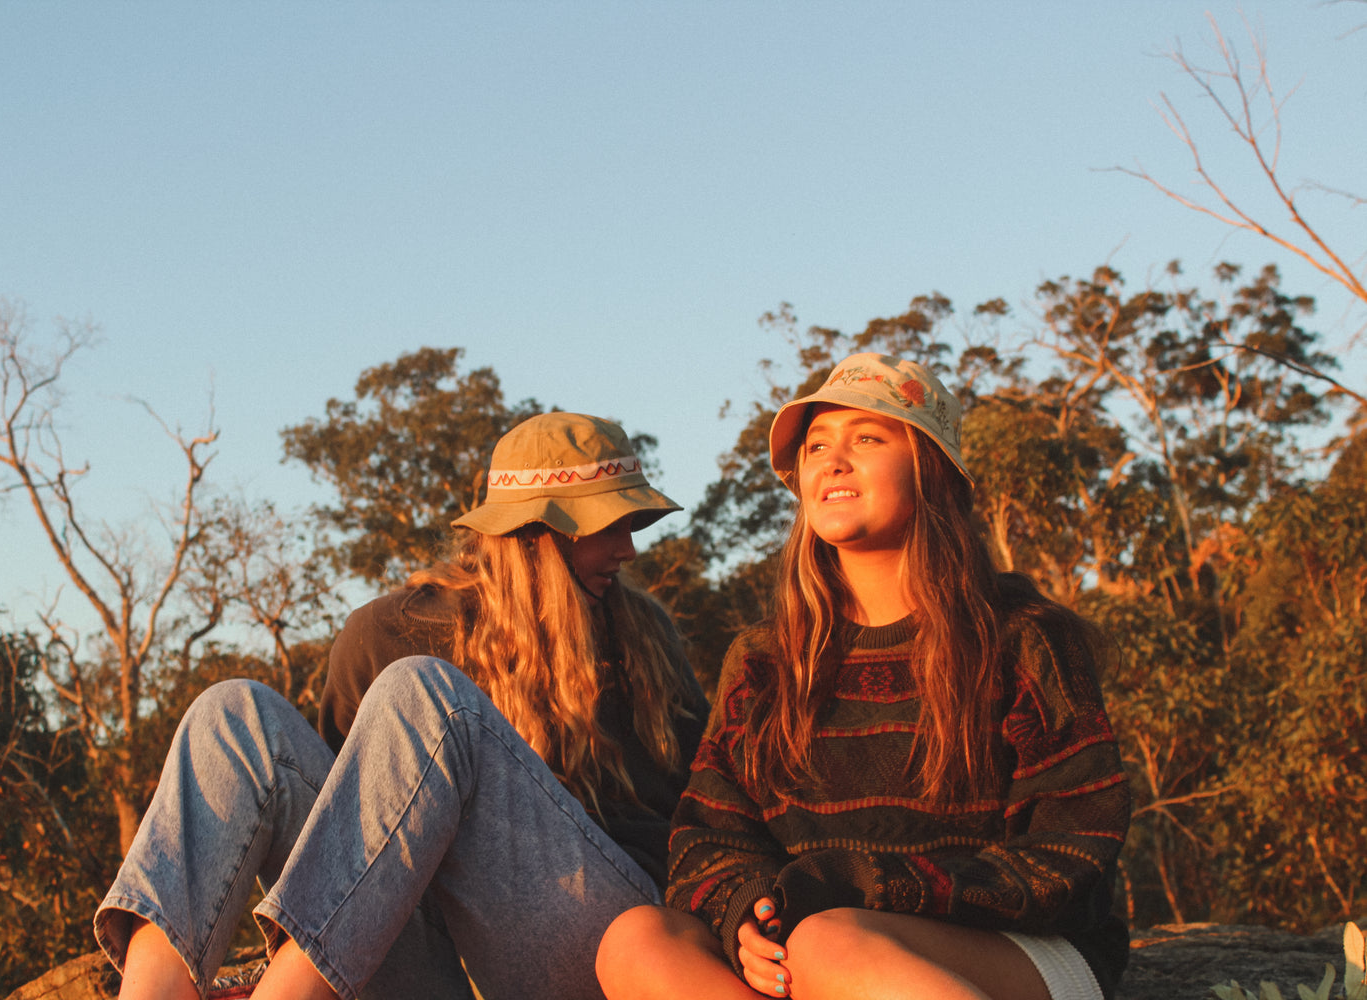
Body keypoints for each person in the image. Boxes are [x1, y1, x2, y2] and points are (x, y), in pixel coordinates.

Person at [95, 411, 709, 1000]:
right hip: (420, 960)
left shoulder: (639, 638)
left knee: (428, 696)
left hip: (594, 947)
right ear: (536, 532)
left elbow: (705, 818)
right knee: (232, 715)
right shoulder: (388, 631)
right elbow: (341, 841)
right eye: (609, 525)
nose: (629, 549)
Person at [596, 353, 1131, 1000]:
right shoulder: (765, 660)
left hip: (1018, 951)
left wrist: (873, 890)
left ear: (931, 467)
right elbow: (709, 834)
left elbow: (1073, 848)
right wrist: (746, 912)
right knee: (637, 940)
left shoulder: (1021, 638)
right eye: (816, 446)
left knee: (831, 942)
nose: (832, 460)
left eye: (868, 439)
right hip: (813, 946)